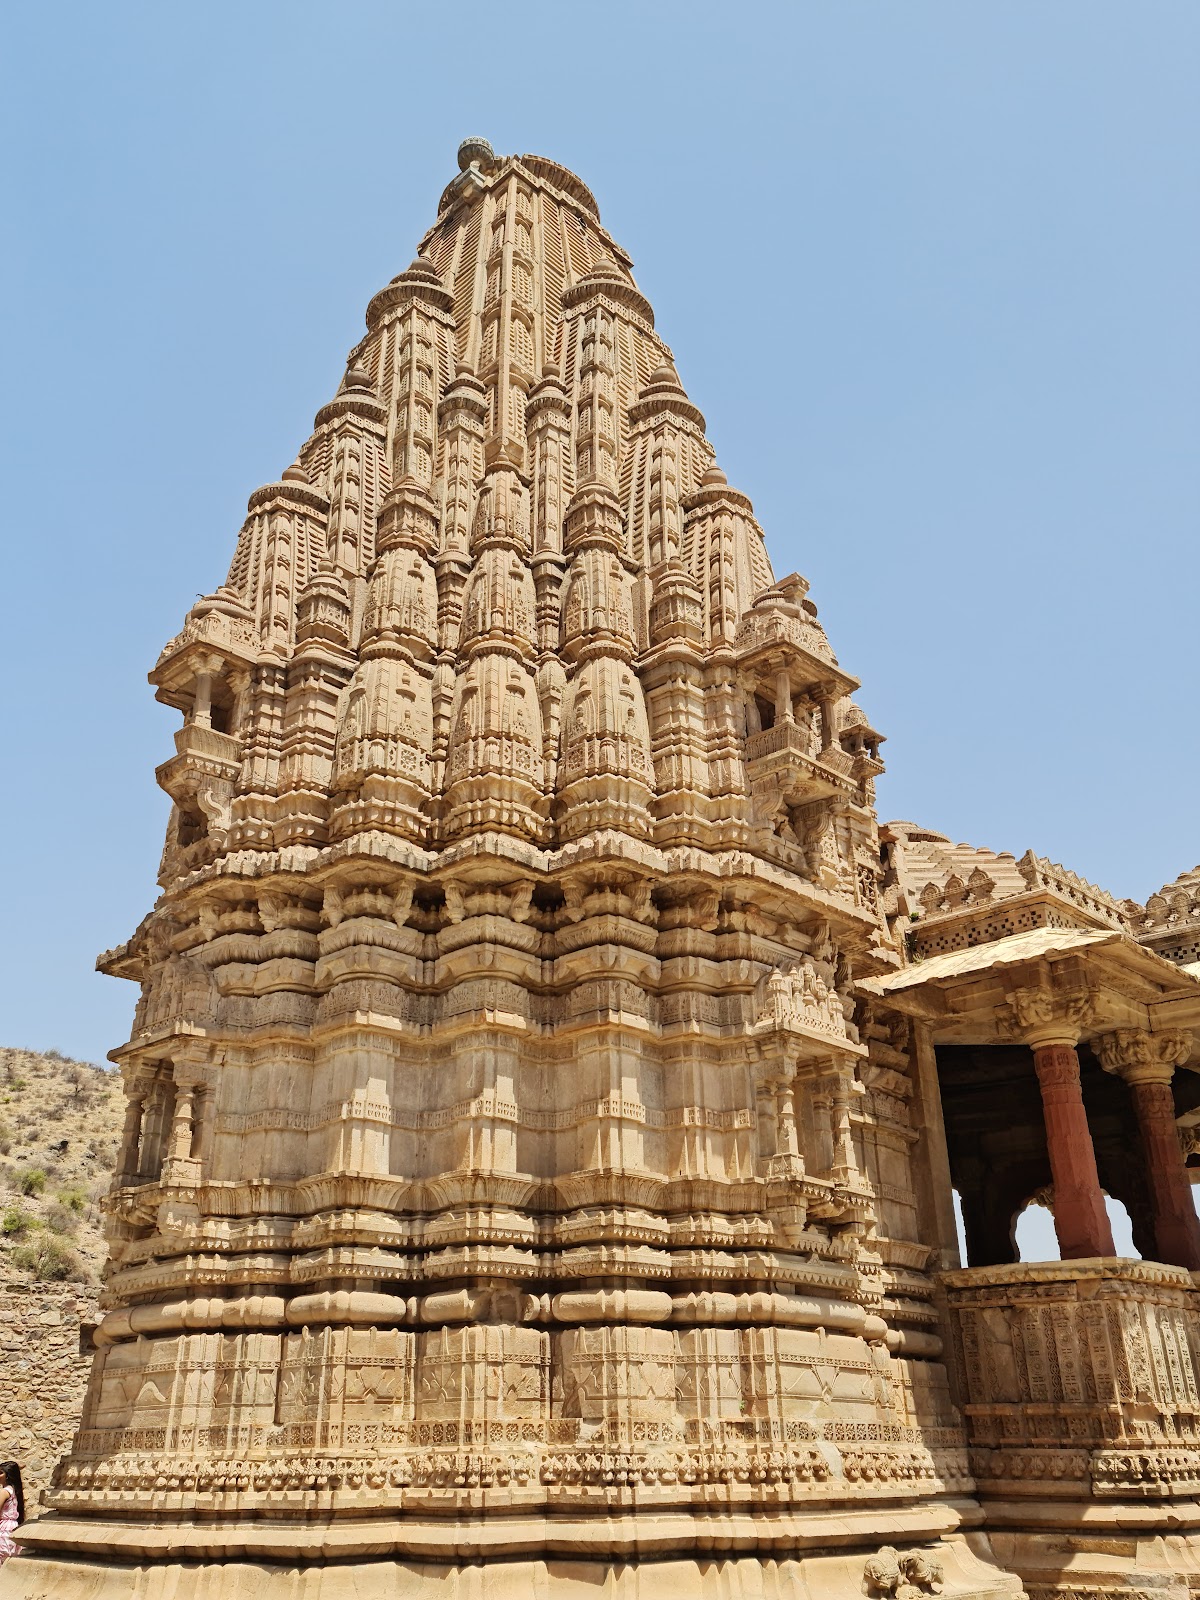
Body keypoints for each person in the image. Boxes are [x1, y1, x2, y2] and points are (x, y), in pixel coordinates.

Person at [0, 1461, 24, 1563]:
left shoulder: (4, 1491)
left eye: (1, 1473)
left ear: (8, 1476)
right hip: (13, 1527)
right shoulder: (15, 1490)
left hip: (4, 1528)